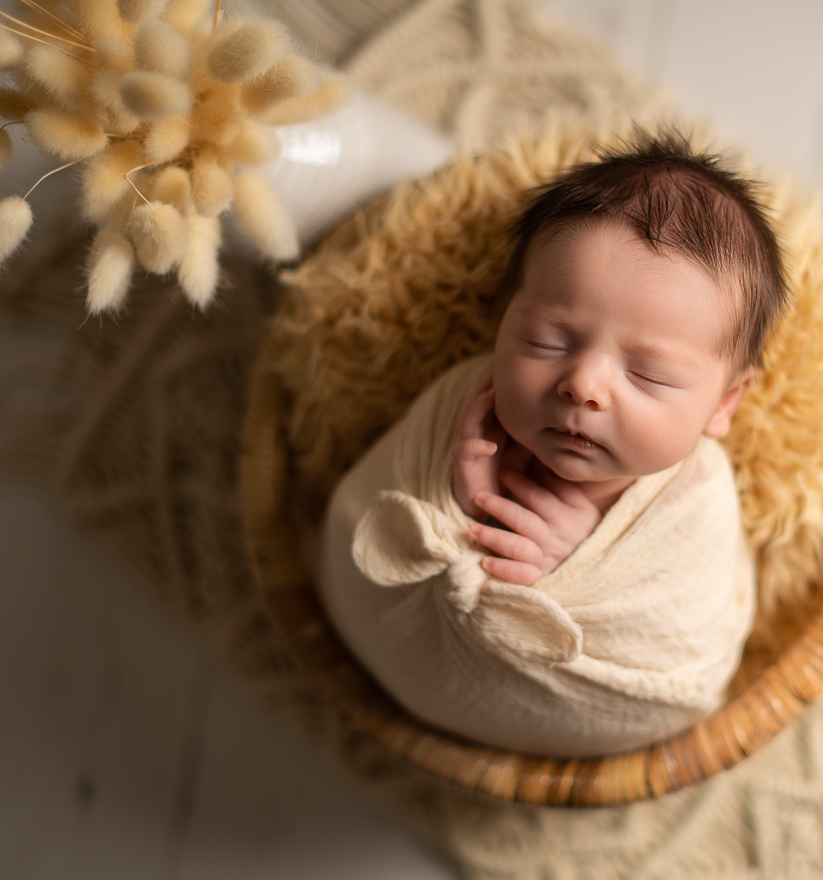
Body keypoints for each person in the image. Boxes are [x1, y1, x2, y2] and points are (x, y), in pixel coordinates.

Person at [319, 131, 788, 756]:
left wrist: (575, 565)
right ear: (503, 320)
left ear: (725, 403)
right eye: (548, 341)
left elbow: (681, 641)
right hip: (388, 644)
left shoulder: (695, 497)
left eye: (647, 375)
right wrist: (461, 502)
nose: (584, 385)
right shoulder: (468, 406)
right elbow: (385, 516)